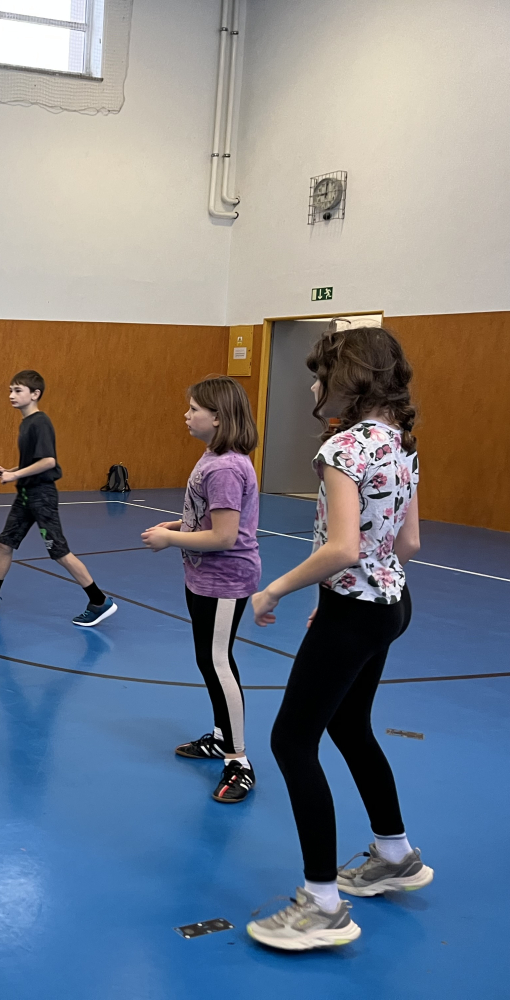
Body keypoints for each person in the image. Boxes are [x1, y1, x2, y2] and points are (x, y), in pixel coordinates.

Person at [244, 327, 430, 952]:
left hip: (354, 612)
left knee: (292, 741)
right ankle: (394, 854)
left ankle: (322, 904)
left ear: (348, 379)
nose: (313, 388)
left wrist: (274, 590)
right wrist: (345, 594)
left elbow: (344, 547)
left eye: (319, 376)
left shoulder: (343, 448)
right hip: (391, 604)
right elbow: (408, 543)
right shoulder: (402, 442)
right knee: (349, 725)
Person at [140, 376, 261, 803]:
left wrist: (171, 539)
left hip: (225, 580)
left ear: (219, 417)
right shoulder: (213, 457)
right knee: (207, 659)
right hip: (203, 577)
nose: (186, 415)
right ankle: (220, 735)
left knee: (217, 661)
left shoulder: (225, 467)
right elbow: (209, 518)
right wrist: (178, 525)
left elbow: (225, 536)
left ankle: (238, 760)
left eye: (194, 409)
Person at [0, 370, 117, 626]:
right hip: (25, 495)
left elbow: (48, 461)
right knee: (5, 542)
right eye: (10, 390)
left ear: (35, 394)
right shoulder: (26, 423)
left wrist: (15, 474)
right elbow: (33, 462)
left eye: (18, 390)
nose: (11, 395)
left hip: (41, 496)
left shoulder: (40, 422)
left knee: (60, 552)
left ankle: (99, 601)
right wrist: (12, 470)